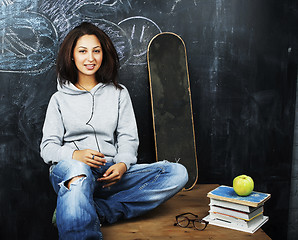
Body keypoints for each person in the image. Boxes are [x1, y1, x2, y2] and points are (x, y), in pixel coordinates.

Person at [40, 22, 188, 240]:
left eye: (96, 51)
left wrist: (122, 164)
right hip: (73, 171)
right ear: (71, 56)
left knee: (177, 173)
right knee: (77, 172)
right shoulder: (59, 99)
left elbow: (128, 139)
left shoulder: (119, 93)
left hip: (110, 173)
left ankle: (96, 210)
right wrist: (75, 155)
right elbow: (47, 148)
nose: (90, 58)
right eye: (82, 51)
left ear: (103, 54)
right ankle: (82, 213)